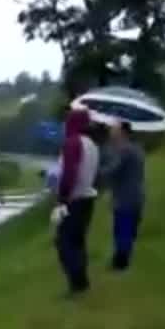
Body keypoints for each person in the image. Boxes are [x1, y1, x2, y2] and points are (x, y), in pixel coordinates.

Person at [52, 106, 100, 296]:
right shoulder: (92, 144)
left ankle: (76, 284)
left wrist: (62, 197)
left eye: (67, 121)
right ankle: (82, 282)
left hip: (74, 199)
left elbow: (70, 173)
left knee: (65, 243)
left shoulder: (72, 143)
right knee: (78, 242)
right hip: (87, 197)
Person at [101, 120, 146, 270]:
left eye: (115, 129)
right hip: (136, 196)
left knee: (122, 230)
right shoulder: (136, 149)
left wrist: (95, 172)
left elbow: (113, 170)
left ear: (123, 133)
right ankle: (120, 261)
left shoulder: (125, 151)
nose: (112, 132)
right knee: (127, 230)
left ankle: (120, 263)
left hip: (126, 198)